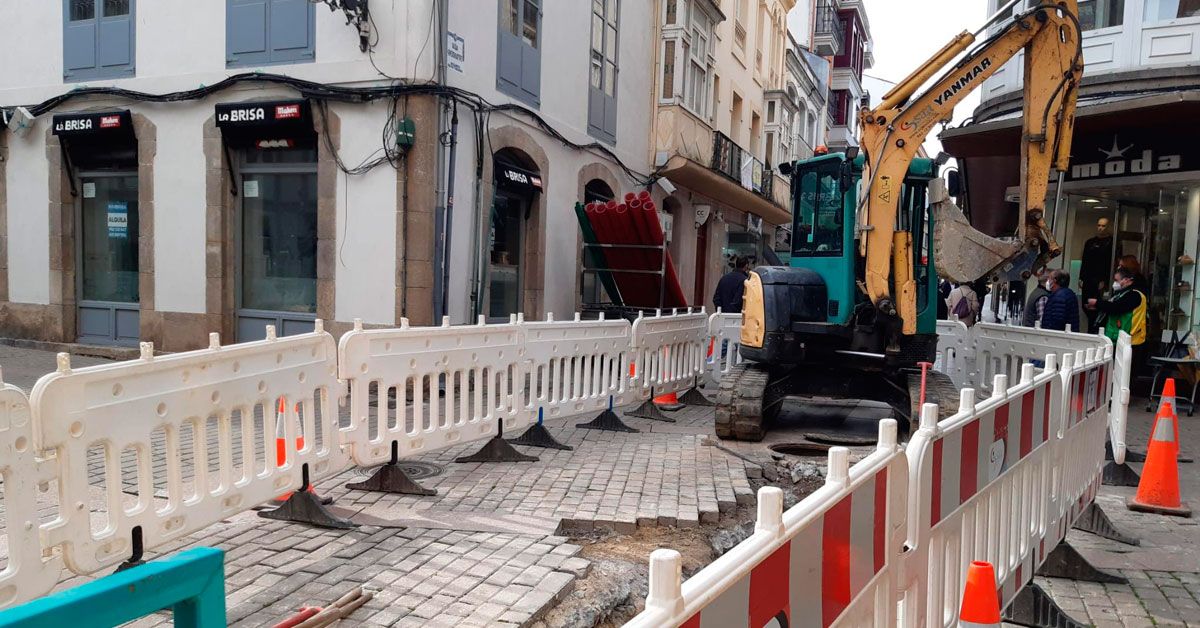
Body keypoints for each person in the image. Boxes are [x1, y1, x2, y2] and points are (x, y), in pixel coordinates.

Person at [1087, 267, 1147, 357]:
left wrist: (1097, 303)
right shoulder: (1121, 294)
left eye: (1116, 280)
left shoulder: (1135, 295)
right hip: (1119, 338)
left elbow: (1117, 307)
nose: (1114, 283)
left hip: (1131, 341)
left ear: (1126, 280)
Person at [1079, 217, 1115, 332]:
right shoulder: (1090, 242)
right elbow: (1085, 260)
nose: (1100, 228)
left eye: (1103, 226)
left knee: (1098, 306)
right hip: (1088, 279)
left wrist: (1105, 279)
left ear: (1108, 227)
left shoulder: (1111, 243)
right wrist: (1081, 277)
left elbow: (1111, 263)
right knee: (1086, 305)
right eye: (1099, 225)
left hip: (1101, 280)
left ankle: (1096, 330)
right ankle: (1091, 329)